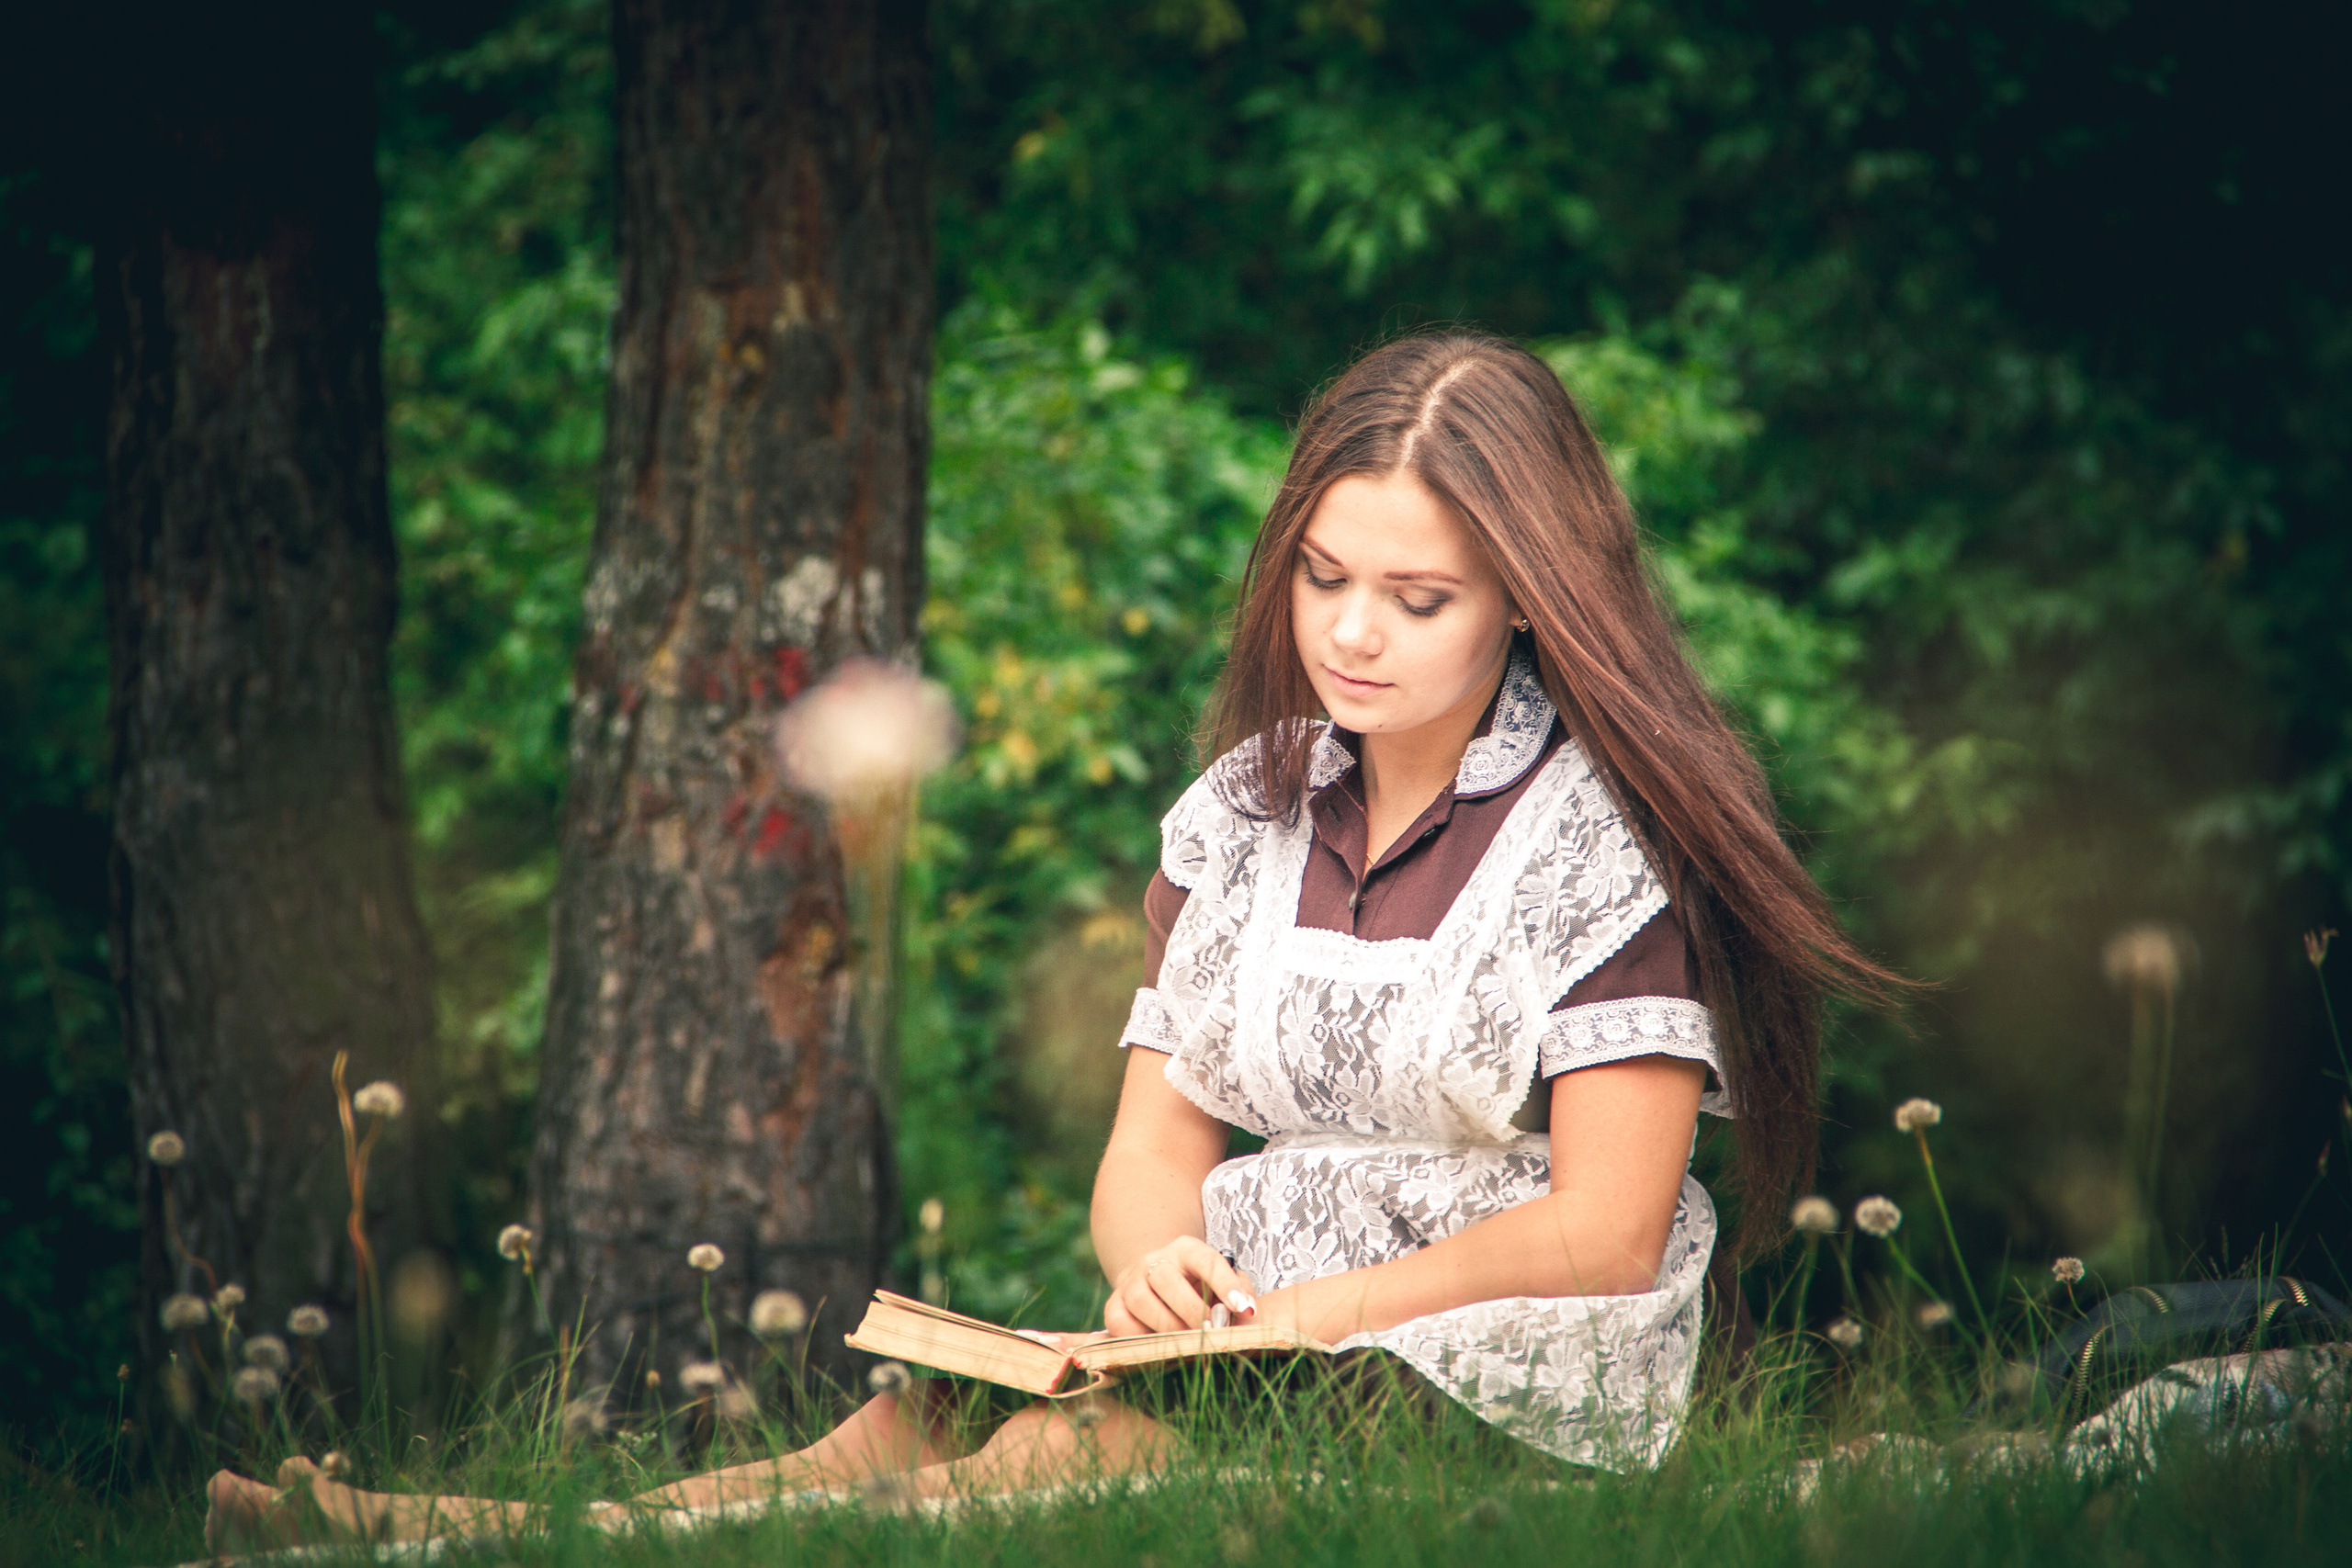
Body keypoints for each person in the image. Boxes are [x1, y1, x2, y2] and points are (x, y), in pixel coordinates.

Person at [204, 330, 1902, 1550]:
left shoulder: (1594, 839)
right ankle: (469, 1530)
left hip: (1520, 1362)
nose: (1353, 634)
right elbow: (1152, 1153)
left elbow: (1602, 1233)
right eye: (1322, 579)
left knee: (1061, 1463)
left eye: (1419, 598)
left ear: (1531, 594)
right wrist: (1163, 1261)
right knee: (906, 1421)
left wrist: (1306, 1322)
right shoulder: (1245, 810)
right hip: (1260, 1319)